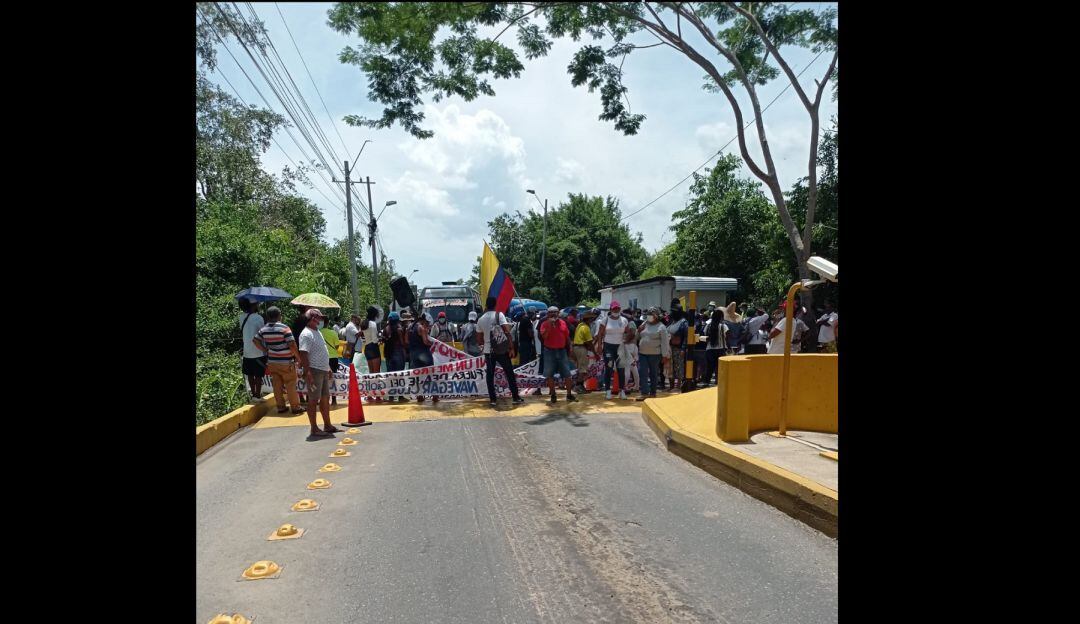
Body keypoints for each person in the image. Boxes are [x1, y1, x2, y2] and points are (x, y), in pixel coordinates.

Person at [297, 308, 341, 438]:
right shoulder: (306, 334)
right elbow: (303, 354)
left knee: (325, 398)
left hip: (322, 369)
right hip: (314, 370)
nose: (320, 320)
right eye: (318, 318)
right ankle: (314, 428)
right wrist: (308, 372)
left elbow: (322, 350)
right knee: (313, 399)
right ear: (312, 318)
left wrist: (327, 367)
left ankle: (327, 425)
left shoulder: (317, 332)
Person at [253, 306, 305, 414]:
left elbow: (255, 340)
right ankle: (295, 407)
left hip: (272, 362)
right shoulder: (284, 328)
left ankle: (281, 407)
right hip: (286, 362)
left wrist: (266, 350)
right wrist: (299, 358)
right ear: (279, 315)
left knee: (277, 385)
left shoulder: (263, 329)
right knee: (290, 384)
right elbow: (292, 344)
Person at [476, 296, 524, 407]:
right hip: (502, 350)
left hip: (489, 351)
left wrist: (486, 343)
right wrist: (511, 348)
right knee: (509, 373)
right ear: (495, 305)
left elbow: (479, 340)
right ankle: (515, 397)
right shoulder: (499, 315)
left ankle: (493, 399)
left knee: (490, 375)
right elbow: (507, 332)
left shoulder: (481, 319)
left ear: (486, 306)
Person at [538, 305, 576, 403]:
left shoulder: (563, 322)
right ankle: (553, 394)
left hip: (562, 351)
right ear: (548, 314)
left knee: (567, 374)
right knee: (550, 374)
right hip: (549, 351)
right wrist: (550, 325)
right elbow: (544, 337)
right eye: (551, 312)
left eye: (555, 312)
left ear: (558, 313)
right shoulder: (544, 324)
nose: (554, 314)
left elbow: (567, 337)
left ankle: (569, 394)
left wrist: (570, 348)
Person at [594, 300, 630, 400]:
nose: (616, 310)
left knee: (621, 369)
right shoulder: (605, 320)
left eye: (617, 308)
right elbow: (600, 334)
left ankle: (622, 391)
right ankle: (608, 391)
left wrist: (626, 339)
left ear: (620, 309)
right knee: (609, 368)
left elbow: (628, 332)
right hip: (608, 346)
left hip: (620, 347)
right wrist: (600, 346)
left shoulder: (624, 320)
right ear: (611, 309)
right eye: (614, 308)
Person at [635, 307, 670, 400]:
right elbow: (637, 337)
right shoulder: (644, 324)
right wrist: (638, 330)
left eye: (652, 314)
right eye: (648, 314)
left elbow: (665, 342)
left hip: (655, 355)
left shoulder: (661, 327)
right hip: (642, 353)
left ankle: (653, 392)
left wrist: (665, 355)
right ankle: (644, 393)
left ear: (657, 316)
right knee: (642, 372)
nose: (649, 316)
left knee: (653, 373)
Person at [238, 298, 267, 401]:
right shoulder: (258, 317)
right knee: (258, 375)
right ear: (253, 305)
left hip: (247, 351)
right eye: (257, 304)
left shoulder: (241, 317)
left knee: (250, 374)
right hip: (258, 351)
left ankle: (254, 394)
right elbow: (262, 332)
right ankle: (258, 395)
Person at [408, 312, 437, 403]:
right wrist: (432, 343)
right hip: (424, 354)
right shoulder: (421, 328)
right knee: (430, 374)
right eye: (427, 323)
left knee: (418, 375)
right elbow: (425, 341)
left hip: (413, 354)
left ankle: (420, 396)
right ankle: (434, 395)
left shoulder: (410, 327)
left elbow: (406, 340)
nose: (427, 325)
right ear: (424, 320)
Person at [381, 311, 409, 402]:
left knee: (390, 376)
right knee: (399, 375)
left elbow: (383, 340)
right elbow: (402, 343)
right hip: (398, 353)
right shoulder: (399, 329)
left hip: (388, 354)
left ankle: (391, 397)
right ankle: (400, 396)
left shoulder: (386, 329)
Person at [319, 314, 342, 405]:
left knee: (322, 379)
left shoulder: (318, 332)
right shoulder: (333, 333)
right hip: (333, 358)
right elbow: (336, 346)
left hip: (322, 358)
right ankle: (334, 399)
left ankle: (324, 399)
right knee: (333, 378)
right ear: (328, 322)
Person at [572, 309, 596, 393]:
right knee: (583, 369)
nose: (593, 320)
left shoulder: (579, 325)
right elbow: (589, 342)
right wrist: (595, 353)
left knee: (580, 368)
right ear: (589, 319)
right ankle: (578, 386)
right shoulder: (586, 328)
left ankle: (580, 386)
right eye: (592, 319)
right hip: (581, 348)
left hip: (576, 348)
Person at [702, 309, 728, 385]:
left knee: (709, 367)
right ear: (721, 317)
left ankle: (706, 382)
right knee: (719, 368)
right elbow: (728, 336)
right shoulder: (723, 326)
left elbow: (705, 335)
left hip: (709, 349)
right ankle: (718, 382)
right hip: (721, 349)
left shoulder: (708, 326)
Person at [666, 307, 689, 392]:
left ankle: (678, 386)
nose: (672, 313)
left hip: (678, 348)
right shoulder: (671, 321)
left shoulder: (684, 323)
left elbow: (686, 337)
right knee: (670, 367)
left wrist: (683, 348)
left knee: (678, 366)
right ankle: (671, 386)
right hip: (669, 347)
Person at [618, 324, 639, 396]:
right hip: (626, 361)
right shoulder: (623, 343)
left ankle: (637, 387)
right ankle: (623, 387)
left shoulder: (634, 345)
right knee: (627, 374)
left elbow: (635, 354)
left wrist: (635, 360)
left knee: (636, 374)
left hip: (632, 360)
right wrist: (632, 360)